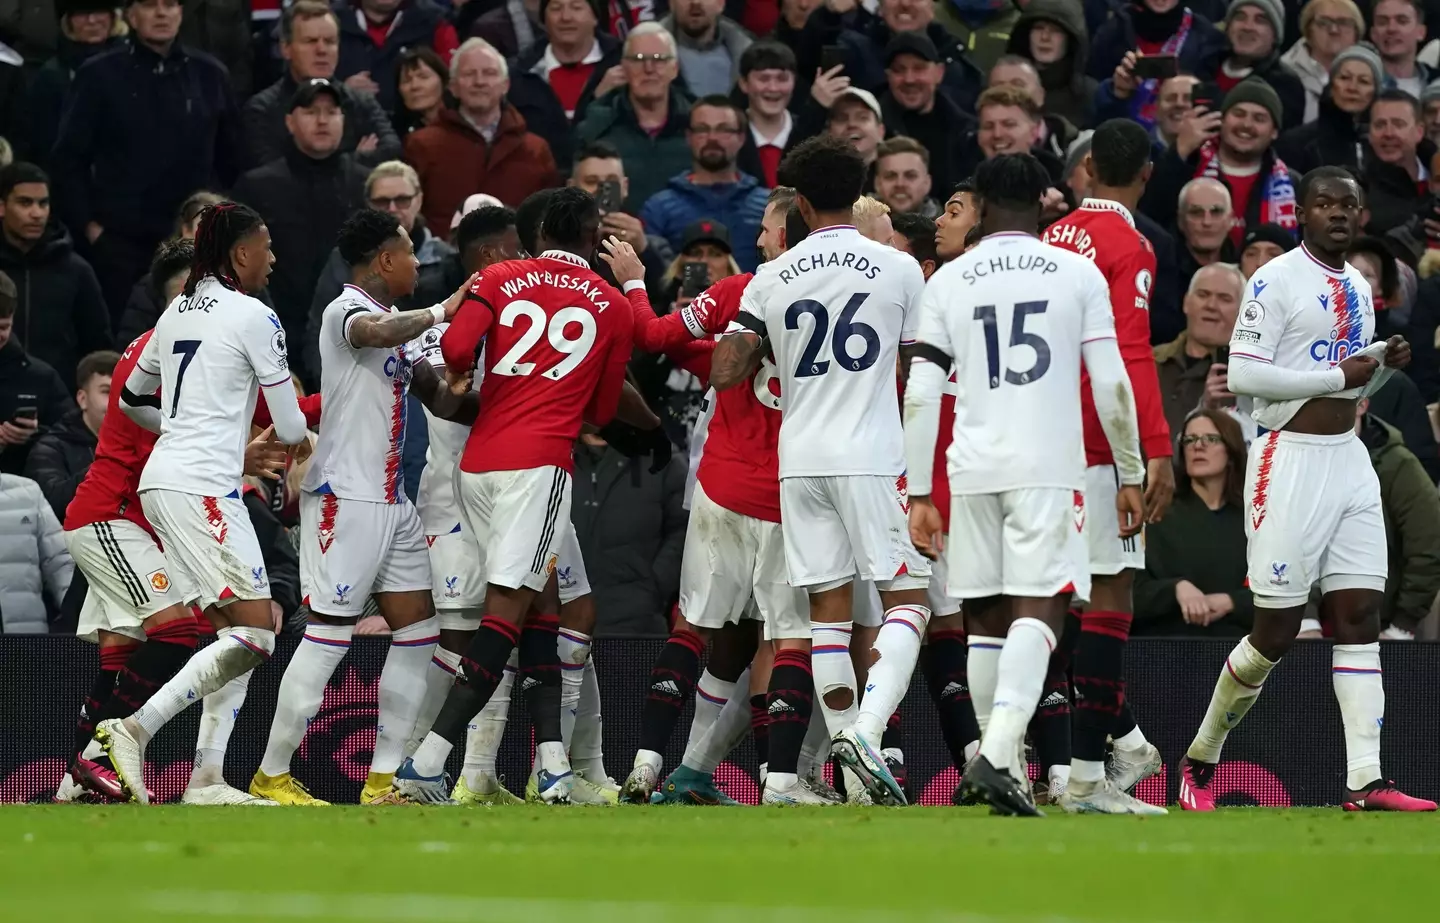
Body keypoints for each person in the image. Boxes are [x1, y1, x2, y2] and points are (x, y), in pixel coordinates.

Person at [1176, 166, 1436, 813]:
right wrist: (1337, 374)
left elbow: (1348, 386)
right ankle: (1202, 755)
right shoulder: (1274, 278)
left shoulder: (1356, 285)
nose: (1338, 213)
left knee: (1357, 616)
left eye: (1349, 204)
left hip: (1348, 458)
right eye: (1324, 203)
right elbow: (1242, 373)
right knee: (1277, 630)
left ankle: (1365, 779)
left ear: (1362, 215)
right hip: (1285, 460)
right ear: (1304, 215)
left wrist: (1376, 367)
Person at [904, 152, 1147, 817]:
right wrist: (1130, 470)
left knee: (984, 618)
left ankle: (996, 757)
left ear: (978, 204)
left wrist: (921, 489)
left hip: (970, 464)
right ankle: (1001, 753)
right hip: (1047, 465)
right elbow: (1112, 381)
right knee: (1045, 605)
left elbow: (923, 391)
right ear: (1045, 200)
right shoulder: (1079, 273)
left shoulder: (950, 281)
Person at [396, 187, 638, 804]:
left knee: (540, 607)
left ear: (533, 237)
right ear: (591, 239)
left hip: (476, 470)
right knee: (506, 615)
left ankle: (553, 764)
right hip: (538, 470)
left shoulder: (499, 277)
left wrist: (466, 377)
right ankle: (429, 763)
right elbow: (605, 409)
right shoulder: (610, 303)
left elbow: (453, 349)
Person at [712, 134, 931, 806]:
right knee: (909, 598)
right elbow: (917, 367)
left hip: (798, 462)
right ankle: (864, 731)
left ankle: (852, 778)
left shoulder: (772, 275)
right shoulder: (898, 269)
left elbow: (727, 368)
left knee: (826, 618)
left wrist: (747, 338)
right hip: (872, 454)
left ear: (799, 202)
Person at [250, 208, 478, 806]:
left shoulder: (400, 331)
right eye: (409, 253)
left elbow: (445, 402)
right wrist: (440, 312)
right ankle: (271, 774)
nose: (417, 264)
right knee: (328, 635)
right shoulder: (345, 310)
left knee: (420, 633)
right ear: (383, 261)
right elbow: (372, 335)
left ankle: (383, 780)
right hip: (343, 501)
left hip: (392, 503)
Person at [96, 202, 310, 804]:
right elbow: (291, 429)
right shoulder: (255, 316)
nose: (273, 257)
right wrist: (236, 440)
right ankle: (132, 730)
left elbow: (134, 396)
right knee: (258, 634)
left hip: (167, 478)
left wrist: (185, 427)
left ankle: (207, 778)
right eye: (266, 245)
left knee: (229, 636)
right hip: (202, 486)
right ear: (241, 253)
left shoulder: (175, 312)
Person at [610, 186, 818, 805]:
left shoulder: (738, 292)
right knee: (792, 641)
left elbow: (651, 335)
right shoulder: (836, 304)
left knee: (695, 627)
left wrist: (634, 280)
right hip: (792, 494)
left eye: (766, 228)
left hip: (722, 488)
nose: (757, 240)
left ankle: (649, 765)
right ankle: (783, 781)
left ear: (788, 234)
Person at [1040, 119, 1173, 813]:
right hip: (1099, 447)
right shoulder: (1132, 245)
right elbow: (1130, 355)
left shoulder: (1046, 242)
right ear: (1146, 175)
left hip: (1039, 444)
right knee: (1109, 596)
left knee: (1050, 603)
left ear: (1086, 168)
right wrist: (1153, 449)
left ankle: (1107, 748)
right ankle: (1090, 776)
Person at [404, 205, 527, 807]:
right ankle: (405, 766)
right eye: (513, 249)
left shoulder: (521, 324)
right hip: (452, 499)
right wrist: (525, 405)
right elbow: (443, 403)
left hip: (508, 492)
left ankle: (477, 775)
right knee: (457, 638)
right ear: (487, 255)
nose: (524, 261)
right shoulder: (439, 328)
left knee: (499, 633)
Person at [50, 0, 241, 318]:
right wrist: (90, 228)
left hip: (196, 242)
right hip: (120, 246)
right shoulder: (98, 75)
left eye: (170, 4)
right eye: (151, 4)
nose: (162, 13)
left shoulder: (210, 75)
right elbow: (68, 159)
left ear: (182, 12)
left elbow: (233, 162)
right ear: (130, 15)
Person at [232, 78, 370, 347]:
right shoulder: (257, 186)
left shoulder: (365, 184)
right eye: (310, 112)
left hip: (352, 328)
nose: (322, 121)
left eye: (331, 112)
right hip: (275, 328)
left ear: (343, 120)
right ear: (289, 122)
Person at [403, 38, 560, 231]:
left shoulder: (536, 149)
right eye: (469, 74)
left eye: (489, 73)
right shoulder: (421, 144)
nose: (479, 82)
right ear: (453, 87)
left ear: (505, 85)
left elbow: (551, 219)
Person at [1133, 409, 1253, 637]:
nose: (1198, 446)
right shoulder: (1156, 513)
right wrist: (1175, 589)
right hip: (1161, 648)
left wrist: (1232, 602)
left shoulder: (1254, 519)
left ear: (1231, 450)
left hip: (1237, 650)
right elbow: (1129, 592)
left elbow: (1280, 594)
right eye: (1190, 439)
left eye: (1211, 439)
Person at [241, 1, 401, 171]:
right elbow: (271, 173)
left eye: (330, 41)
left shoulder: (361, 102)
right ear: (285, 49)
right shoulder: (261, 110)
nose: (322, 50)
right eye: (310, 41)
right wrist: (356, 159)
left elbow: (391, 149)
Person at [0, 162, 111, 391]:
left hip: (58, 406)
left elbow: (98, 348)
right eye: (25, 203)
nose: (37, 213)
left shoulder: (76, 270)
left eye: (43, 203)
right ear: (1, 206)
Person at [639, 95, 770, 274]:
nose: (712, 138)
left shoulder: (767, 206)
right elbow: (654, 279)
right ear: (688, 137)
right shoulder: (659, 208)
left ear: (741, 138)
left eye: (723, 129)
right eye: (702, 129)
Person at [575, 22, 693, 209]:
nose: (649, 68)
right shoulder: (596, 126)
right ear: (624, 68)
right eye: (638, 59)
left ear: (675, 69)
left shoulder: (698, 124)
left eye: (659, 59)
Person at [505, 0, 623, 172]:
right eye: (556, 8)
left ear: (595, 17)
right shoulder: (517, 75)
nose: (566, 17)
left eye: (576, 7)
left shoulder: (623, 65)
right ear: (544, 19)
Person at [1357, 397, 1440, 639]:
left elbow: (1428, 544)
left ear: (1362, 405)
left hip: (1381, 620)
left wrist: (1403, 624)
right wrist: (1306, 618)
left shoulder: (1397, 465)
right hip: (1305, 619)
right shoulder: (1300, 461)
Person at [18, 0, 125, 171]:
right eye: (81, 14)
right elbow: (43, 144)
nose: (91, 20)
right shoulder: (51, 76)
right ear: (67, 22)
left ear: (113, 17)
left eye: (99, 12)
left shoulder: (136, 64)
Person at [1153, 262, 1244, 437]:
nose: (1211, 305)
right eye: (1203, 295)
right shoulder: (1149, 362)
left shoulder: (1246, 378)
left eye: (1224, 299)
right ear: (1186, 302)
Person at [25, 350, 116, 519]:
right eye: (106, 391)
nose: (116, 401)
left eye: (121, 392)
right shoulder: (51, 448)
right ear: (82, 399)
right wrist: (106, 466)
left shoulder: (145, 443)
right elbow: (49, 505)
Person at [333, 0, 458, 116]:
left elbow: (455, 84)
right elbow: (314, 84)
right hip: (344, 130)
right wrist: (339, 93)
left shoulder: (436, 23)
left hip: (418, 130)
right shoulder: (329, 21)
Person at [0, 272, 71, 476]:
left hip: (23, 493)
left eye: (4, 327)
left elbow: (71, 434)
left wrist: (36, 433)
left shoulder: (40, 377)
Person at [1275, 44, 1381, 177]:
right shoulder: (1296, 144)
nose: (1352, 87)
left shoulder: (1386, 142)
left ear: (1376, 91)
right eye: (1344, 78)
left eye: (1364, 81)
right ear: (1331, 85)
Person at [1002, 0, 1095, 129]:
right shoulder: (1003, 87)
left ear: (1071, 38)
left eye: (1056, 30)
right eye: (1038, 28)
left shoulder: (1090, 97)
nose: (1045, 37)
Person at [1214, 0, 1304, 131]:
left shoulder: (1285, 85)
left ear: (1275, 35)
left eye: (1260, 20)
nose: (1247, 27)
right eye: (1240, 17)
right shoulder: (1205, 66)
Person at [1279, 0, 1367, 124]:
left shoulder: (1370, 76)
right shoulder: (1283, 73)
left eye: (1343, 23)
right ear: (1309, 30)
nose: (1334, 30)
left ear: (1356, 33)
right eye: (1324, 23)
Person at [1362, 89, 1434, 235]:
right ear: (1369, 134)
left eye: (1398, 124)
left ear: (1419, 132)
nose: (1388, 133)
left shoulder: (1434, 173)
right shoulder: (1360, 191)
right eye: (1380, 125)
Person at [735, 40, 799, 190]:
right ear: (744, 83)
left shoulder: (813, 136)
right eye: (763, 79)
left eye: (782, 79)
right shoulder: (728, 136)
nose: (773, 88)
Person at [661, 0, 752, 98]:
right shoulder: (647, 53)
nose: (695, 2)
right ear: (671, 3)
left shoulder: (745, 52)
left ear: (721, 3)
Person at [1174, 177, 1237, 294]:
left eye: (1216, 212)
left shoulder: (1243, 267)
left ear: (1231, 219)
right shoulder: (1161, 268)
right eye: (1196, 213)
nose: (1207, 222)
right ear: (1181, 221)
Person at [1371, 0, 1433, 99]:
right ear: (1373, 34)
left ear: (1421, 32)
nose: (1391, 28)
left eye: (1402, 21)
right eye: (1382, 22)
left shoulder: (1435, 81)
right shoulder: (1356, 84)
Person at [874, 137, 937, 218]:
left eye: (910, 176)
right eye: (890, 176)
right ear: (877, 183)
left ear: (927, 183)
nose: (900, 184)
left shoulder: (950, 229)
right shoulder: (855, 227)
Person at [392, 47, 448, 138]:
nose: (415, 86)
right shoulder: (393, 136)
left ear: (443, 80)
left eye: (423, 77)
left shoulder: (464, 123)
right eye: (406, 81)